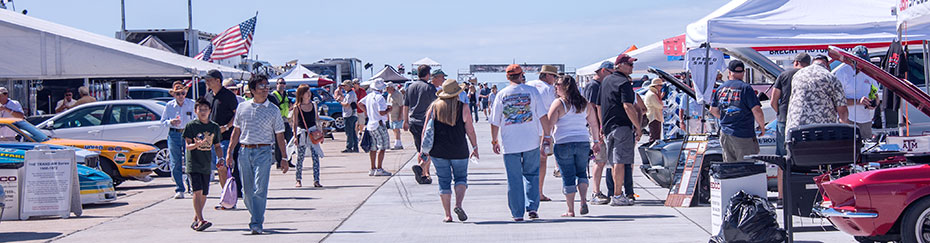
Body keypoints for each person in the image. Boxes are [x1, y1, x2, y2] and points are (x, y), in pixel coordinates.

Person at [224, 74, 289, 235]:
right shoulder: (242, 107)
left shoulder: (273, 110)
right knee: (246, 192)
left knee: (260, 188)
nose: (266, 89)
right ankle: (256, 214)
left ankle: (256, 222)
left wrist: (284, 158)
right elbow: (236, 131)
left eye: (267, 86)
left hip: (264, 151)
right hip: (244, 151)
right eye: (261, 86)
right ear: (252, 90)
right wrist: (229, 152)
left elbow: (280, 135)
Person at [489, 64, 551, 221]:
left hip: (510, 144)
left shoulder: (502, 94)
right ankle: (532, 207)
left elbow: (495, 121)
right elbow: (543, 115)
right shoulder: (532, 91)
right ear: (522, 75)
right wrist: (547, 135)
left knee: (514, 178)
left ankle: (517, 213)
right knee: (531, 174)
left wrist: (494, 140)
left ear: (507, 77)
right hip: (531, 141)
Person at [422, 79, 479, 223]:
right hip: (459, 149)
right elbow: (470, 130)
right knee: (460, 178)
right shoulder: (463, 107)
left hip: (438, 151)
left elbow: (425, 130)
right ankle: (458, 205)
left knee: (443, 181)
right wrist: (475, 146)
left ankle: (447, 215)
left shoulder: (434, 107)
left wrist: (423, 150)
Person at [548, 75, 600, 217]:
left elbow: (549, 125)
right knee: (582, 172)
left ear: (565, 87)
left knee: (568, 176)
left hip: (564, 143)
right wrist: (596, 142)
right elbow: (594, 124)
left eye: (557, 84)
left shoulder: (559, 103)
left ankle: (570, 210)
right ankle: (583, 200)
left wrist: (546, 141)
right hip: (583, 142)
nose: (555, 87)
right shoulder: (584, 103)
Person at [599, 54, 642, 206]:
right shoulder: (624, 83)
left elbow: (600, 106)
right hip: (622, 127)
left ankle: (615, 193)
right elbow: (628, 106)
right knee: (620, 161)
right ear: (619, 65)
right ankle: (617, 195)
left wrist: (602, 126)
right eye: (629, 64)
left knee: (613, 162)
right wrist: (638, 126)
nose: (632, 67)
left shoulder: (606, 81)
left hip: (608, 127)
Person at [709, 60, 765, 162]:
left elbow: (713, 110)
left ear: (729, 72)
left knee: (731, 170)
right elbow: (756, 110)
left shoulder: (721, 88)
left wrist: (725, 118)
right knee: (747, 169)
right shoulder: (746, 88)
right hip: (743, 134)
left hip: (725, 133)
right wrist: (762, 127)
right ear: (743, 72)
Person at [183, 98, 222, 232]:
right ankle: (201, 219)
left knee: (205, 193)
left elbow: (217, 145)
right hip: (193, 164)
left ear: (210, 111)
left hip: (206, 164)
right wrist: (196, 145)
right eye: (200, 110)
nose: (203, 112)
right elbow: (187, 146)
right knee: (197, 191)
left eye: (206, 109)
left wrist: (221, 158)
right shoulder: (191, 126)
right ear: (196, 111)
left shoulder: (214, 127)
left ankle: (196, 218)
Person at [787, 56, 850, 133]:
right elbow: (842, 111)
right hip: (821, 131)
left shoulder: (798, 75)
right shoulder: (830, 77)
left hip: (796, 129)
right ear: (828, 66)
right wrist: (846, 131)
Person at [203, 69, 238, 205]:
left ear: (218, 80)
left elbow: (237, 115)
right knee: (218, 169)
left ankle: (228, 198)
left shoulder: (228, 96)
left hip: (226, 138)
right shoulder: (208, 96)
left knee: (223, 167)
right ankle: (226, 197)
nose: (207, 82)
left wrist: (227, 126)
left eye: (210, 79)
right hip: (211, 138)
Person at [525, 64, 559, 202]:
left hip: (526, 128)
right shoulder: (549, 89)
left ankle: (527, 192)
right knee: (542, 160)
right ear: (547, 75)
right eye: (554, 76)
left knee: (527, 162)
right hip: (542, 129)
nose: (555, 79)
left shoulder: (528, 85)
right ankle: (538, 192)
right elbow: (553, 110)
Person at [833, 45, 879, 139]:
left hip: (866, 120)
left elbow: (875, 94)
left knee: (866, 148)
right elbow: (837, 101)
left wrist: (874, 103)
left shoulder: (869, 73)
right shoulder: (842, 73)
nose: (861, 65)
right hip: (848, 119)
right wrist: (858, 101)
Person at [584, 61, 614, 205]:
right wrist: (597, 131)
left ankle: (598, 191)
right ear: (603, 71)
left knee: (603, 161)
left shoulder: (600, 86)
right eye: (610, 72)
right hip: (597, 129)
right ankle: (595, 192)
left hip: (602, 127)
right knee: (600, 160)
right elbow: (591, 109)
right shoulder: (593, 86)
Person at [405, 65, 440, 184]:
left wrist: (405, 121)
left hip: (413, 121)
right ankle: (423, 170)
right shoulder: (429, 87)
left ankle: (423, 173)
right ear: (428, 74)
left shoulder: (410, 87)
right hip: (425, 122)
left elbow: (406, 105)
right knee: (428, 148)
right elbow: (435, 106)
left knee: (420, 149)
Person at [771, 53, 811, 156]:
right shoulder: (810, 76)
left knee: (782, 153)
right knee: (802, 153)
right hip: (804, 119)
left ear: (796, 62)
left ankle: (784, 172)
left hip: (784, 118)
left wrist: (780, 113)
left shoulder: (784, 75)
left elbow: (773, 101)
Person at [161, 81, 196, 199]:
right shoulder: (169, 106)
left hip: (187, 134)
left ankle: (191, 186)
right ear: (174, 95)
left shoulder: (191, 103)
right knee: (175, 162)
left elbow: (197, 118)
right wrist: (171, 122)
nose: (181, 96)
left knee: (189, 161)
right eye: (178, 94)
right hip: (174, 133)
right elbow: (163, 121)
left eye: (183, 93)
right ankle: (179, 188)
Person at [359, 78, 394, 177]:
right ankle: (379, 168)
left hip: (371, 124)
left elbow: (360, 103)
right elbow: (381, 112)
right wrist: (388, 110)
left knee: (373, 148)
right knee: (382, 147)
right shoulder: (380, 98)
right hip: (379, 123)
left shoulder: (369, 96)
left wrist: (367, 112)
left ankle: (372, 168)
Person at [291, 85, 323, 188]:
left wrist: (321, 133)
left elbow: (317, 119)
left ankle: (316, 180)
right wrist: (295, 136)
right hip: (302, 134)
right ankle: (298, 179)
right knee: (300, 157)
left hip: (313, 133)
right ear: (301, 94)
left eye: (309, 92)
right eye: (306, 92)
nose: (309, 94)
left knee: (315, 157)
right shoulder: (297, 107)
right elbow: (295, 123)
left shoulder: (313, 105)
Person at [336, 80, 359, 153]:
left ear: (349, 86)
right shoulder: (349, 94)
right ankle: (355, 147)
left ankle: (349, 147)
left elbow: (347, 104)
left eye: (345, 86)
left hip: (350, 114)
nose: (344, 87)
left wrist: (340, 102)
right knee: (352, 132)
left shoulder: (351, 94)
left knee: (349, 132)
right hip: (351, 114)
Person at [644, 78, 665, 143]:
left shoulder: (652, 93)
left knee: (655, 135)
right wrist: (659, 97)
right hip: (654, 117)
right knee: (655, 137)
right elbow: (660, 106)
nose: (661, 87)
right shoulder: (652, 95)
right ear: (656, 86)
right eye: (660, 86)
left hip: (654, 116)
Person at [386, 84, 405, 150]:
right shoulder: (389, 95)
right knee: (393, 129)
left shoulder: (398, 94)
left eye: (387, 88)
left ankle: (398, 143)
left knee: (397, 128)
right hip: (391, 115)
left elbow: (401, 105)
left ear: (392, 88)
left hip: (397, 114)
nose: (386, 90)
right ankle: (397, 142)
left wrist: (400, 115)